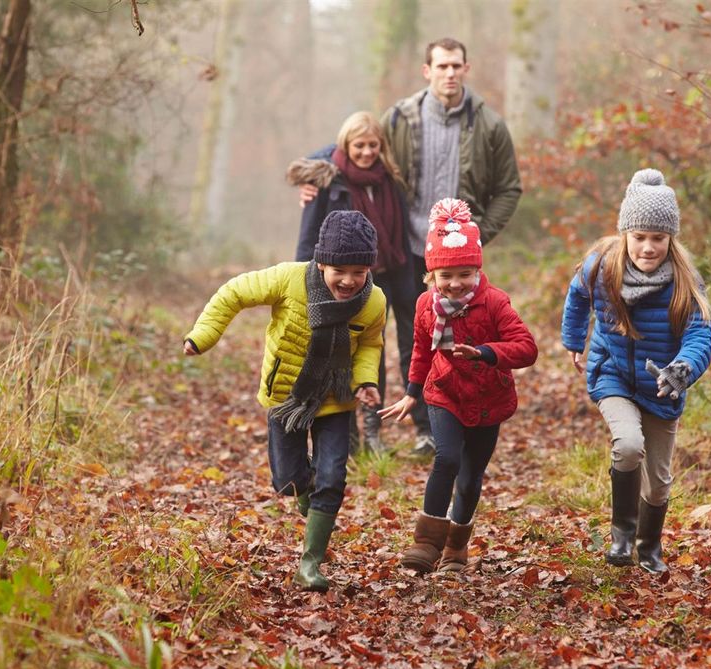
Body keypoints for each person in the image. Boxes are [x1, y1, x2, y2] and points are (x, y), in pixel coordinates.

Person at [301, 38, 523, 458]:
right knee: (376, 337)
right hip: (400, 250)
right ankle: (372, 428)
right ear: (428, 71)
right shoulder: (400, 118)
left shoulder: (489, 125)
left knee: (436, 341)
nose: (450, 73)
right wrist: (314, 173)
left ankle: (432, 428)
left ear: (466, 68)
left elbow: (510, 187)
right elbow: (353, 144)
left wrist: (477, 236)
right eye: (441, 66)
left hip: (453, 259)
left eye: (456, 65)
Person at [183, 210, 387, 592]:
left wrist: (365, 382)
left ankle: (309, 565)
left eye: (359, 271)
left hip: (336, 400)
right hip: (286, 398)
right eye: (340, 269)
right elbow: (234, 293)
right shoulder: (288, 279)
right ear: (322, 261)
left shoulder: (373, 301)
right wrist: (203, 335)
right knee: (289, 480)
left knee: (333, 477)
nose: (349, 280)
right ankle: (314, 507)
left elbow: (370, 345)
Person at [560, 169, 711, 575]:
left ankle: (649, 546)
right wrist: (575, 340)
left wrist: (683, 369)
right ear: (625, 233)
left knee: (660, 481)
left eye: (658, 239)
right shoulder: (601, 268)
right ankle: (622, 536)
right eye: (639, 237)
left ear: (670, 239)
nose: (648, 247)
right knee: (628, 445)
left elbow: (701, 334)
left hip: (663, 386)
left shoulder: (683, 281)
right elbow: (576, 295)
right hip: (611, 374)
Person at [379, 198, 537, 574]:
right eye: (445, 276)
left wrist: (485, 352)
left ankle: (455, 548)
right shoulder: (424, 306)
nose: (454, 284)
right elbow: (420, 349)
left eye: (465, 274)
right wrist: (412, 393)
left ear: (477, 270)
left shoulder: (495, 303)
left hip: (487, 400)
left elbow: (526, 348)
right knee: (446, 458)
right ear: (431, 276)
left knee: (469, 479)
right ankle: (426, 543)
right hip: (443, 392)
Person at [286, 111, 424, 455]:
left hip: (391, 275)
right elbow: (308, 238)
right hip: (346, 282)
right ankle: (348, 437)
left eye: (372, 145)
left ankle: (374, 430)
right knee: (346, 354)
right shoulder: (327, 180)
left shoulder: (389, 179)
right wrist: (306, 282)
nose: (366, 152)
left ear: (381, 146)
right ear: (346, 145)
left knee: (379, 350)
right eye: (359, 145)